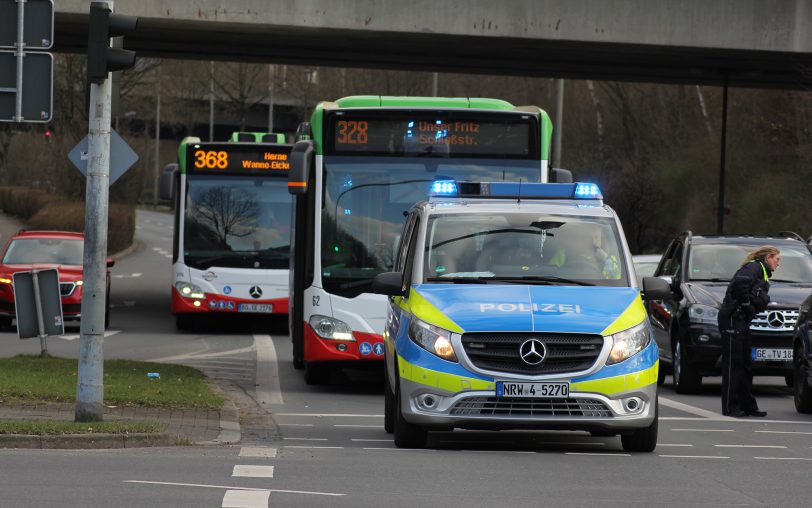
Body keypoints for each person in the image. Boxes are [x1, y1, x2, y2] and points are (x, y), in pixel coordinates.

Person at [717, 245, 781, 417]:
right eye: (777, 259)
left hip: (742, 321)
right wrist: (746, 305)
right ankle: (731, 407)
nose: (778, 263)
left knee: (746, 365)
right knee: (734, 365)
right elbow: (739, 284)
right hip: (732, 320)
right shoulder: (753, 267)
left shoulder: (762, 271)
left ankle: (748, 406)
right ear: (767, 257)